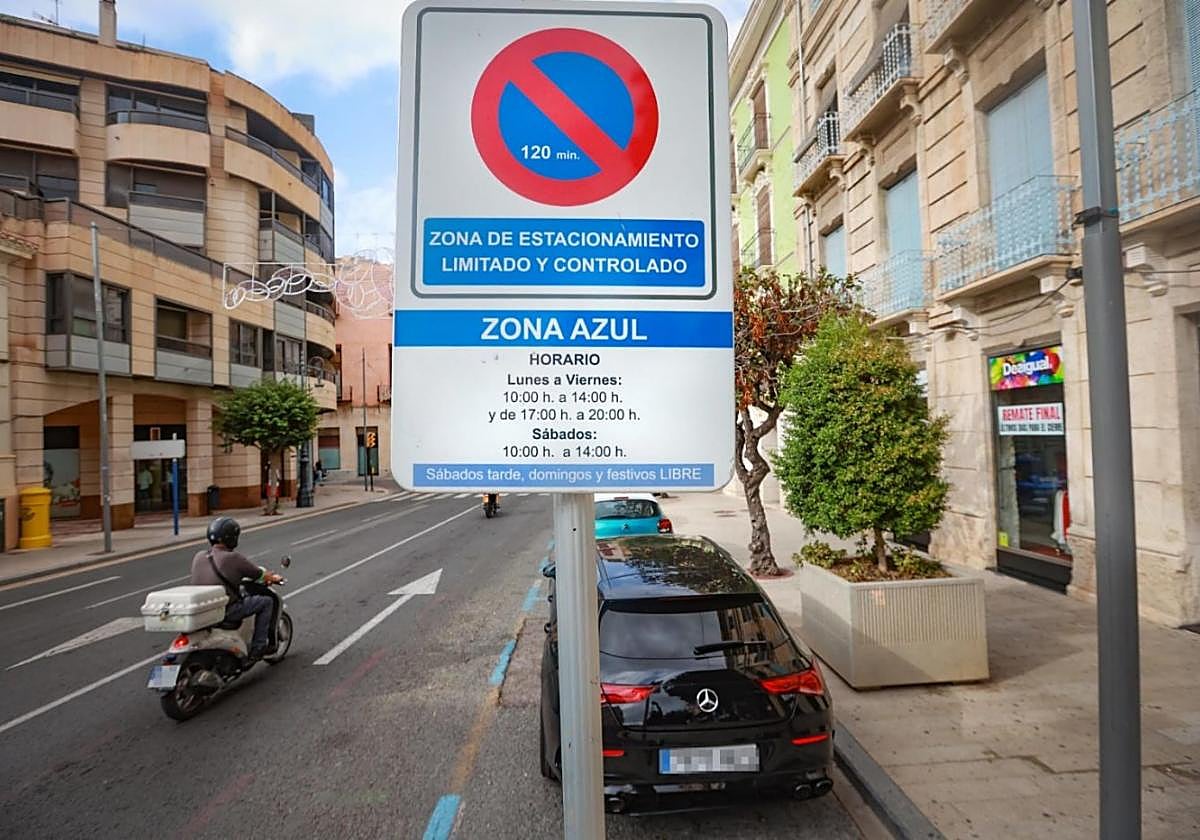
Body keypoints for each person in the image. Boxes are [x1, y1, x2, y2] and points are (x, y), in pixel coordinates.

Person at [190, 516, 283, 660]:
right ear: (232, 538)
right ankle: (258, 648)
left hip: (203, 610)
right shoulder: (232, 558)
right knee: (266, 602)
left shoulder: (199, 556)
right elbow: (258, 574)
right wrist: (274, 578)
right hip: (226, 611)